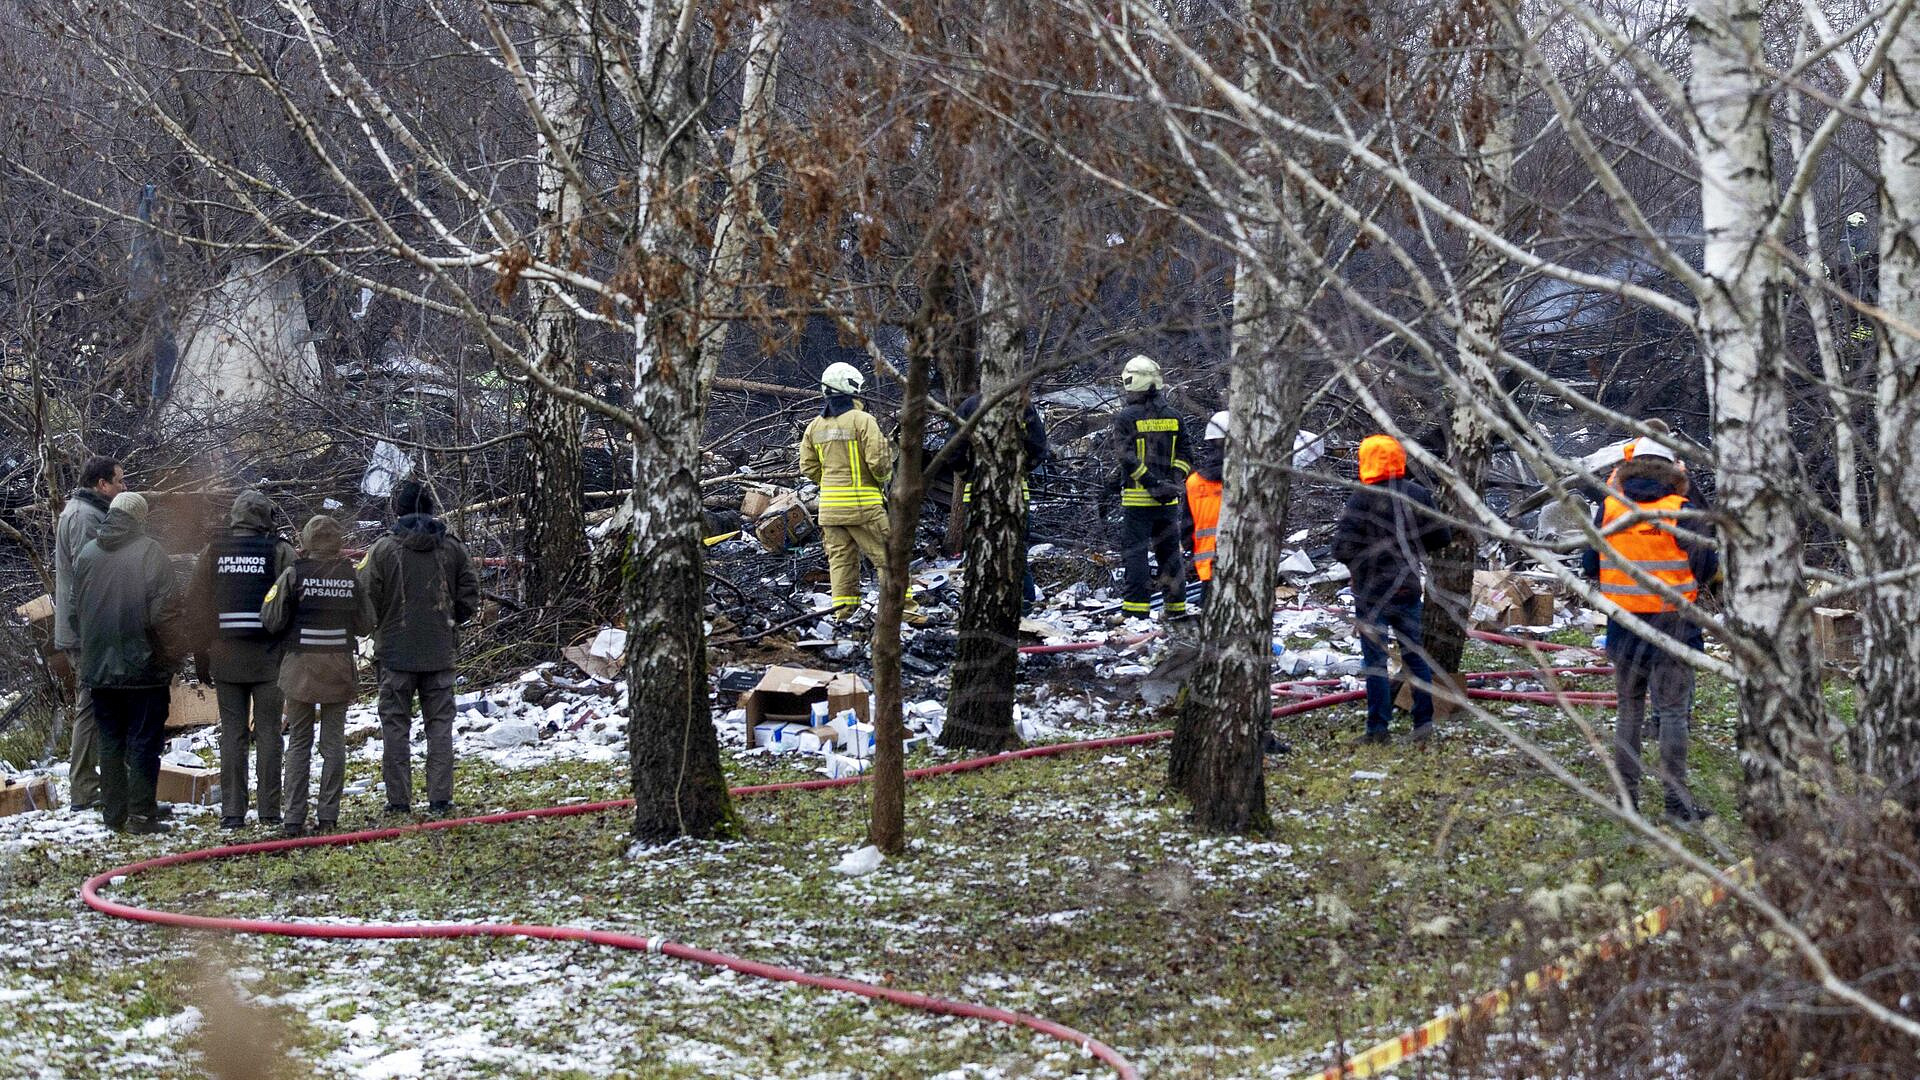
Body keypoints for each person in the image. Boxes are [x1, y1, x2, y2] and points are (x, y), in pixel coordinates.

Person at [1582, 437, 1718, 824]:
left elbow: (1590, 564)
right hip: (1674, 627)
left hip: (1624, 627)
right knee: (1672, 714)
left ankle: (1628, 803)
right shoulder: (1682, 511)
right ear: (1673, 468)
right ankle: (1676, 806)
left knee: (1629, 711)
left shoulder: (1610, 508)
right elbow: (1706, 569)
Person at [358, 480, 478, 815]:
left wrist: (381, 625)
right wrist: (449, 621)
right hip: (440, 653)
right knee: (439, 726)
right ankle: (440, 799)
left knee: (395, 727)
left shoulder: (382, 550)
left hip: (395, 654)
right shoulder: (452, 547)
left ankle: (399, 802)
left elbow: (367, 601)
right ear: (431, 509)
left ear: (398, 510)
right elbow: (469, 594)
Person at [63, 491, 178, 834]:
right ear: (140, 518)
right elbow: (165, 613)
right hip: (144, 667)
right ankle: (142, 815)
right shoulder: (151, 552)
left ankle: (114, 814)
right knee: (144, 740)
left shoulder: (86, 554)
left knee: (110, 740)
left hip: (98, 669)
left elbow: (71, 612)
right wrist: (170, 653)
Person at [1332, 434, 1452, 744]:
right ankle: (1423, 724)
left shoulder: (1361, 498)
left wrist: (1360, 563)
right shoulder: (1417, 495)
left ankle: (1378, 730)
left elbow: (1341, 548)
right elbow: (1442, 537)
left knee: (1375, 662)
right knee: (1415, 658)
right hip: (1407, 589)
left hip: (1371, 593)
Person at [187, 490, 295, 830]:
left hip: (225, 656)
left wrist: (200, 651)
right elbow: (294, 600)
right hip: (268, 659)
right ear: (265, 519)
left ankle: (232, 812)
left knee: (232, 734)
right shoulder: (279, 551)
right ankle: (269, 811)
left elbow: (197, 604)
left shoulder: (212, 552)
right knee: (268, 733)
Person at [263, 514, 372, 837]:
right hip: (338, 668)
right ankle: (329, 817)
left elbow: (270, 618)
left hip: (300, 669)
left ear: (306, 541)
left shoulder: (293, 574)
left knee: (299, 742)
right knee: (333, 743)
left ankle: (293, 819)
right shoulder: (350, 577)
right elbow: (367, 623)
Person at [799, 362, 916, 622]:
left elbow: (807, 467)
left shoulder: (814, 427)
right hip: (864, 507)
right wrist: (882, 480)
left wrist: (830, 484)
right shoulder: (863, 420)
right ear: (852, 388)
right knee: (889, 558)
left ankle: (843, 613)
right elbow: (879, 462)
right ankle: (906, 612)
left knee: (841, 563)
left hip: (829, 510)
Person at [53, 455, 126, 811]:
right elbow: (90, 577)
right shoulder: (85, 517)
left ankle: (92, 785)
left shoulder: (80, 511)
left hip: (85, 628)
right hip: (87, 631)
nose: (123, 488)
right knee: (90, 707)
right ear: (102, 485)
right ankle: (84, 789)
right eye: (119, 482)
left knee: (95, 705)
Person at [1104, 355, 1194, 621]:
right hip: (1167, 502)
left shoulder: (1126, 417)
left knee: (1136, 555)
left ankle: (1135, 611)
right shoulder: (1174, 416)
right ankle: (1176, 608)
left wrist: (1151, 483)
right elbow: (1186, 454)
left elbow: (1127, 458)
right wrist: (1173, 481)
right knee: (1169, 556)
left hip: (1137, 501)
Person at [948, 392, 1050, 611]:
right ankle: (1024, 605)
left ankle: (983, 606)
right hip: (1014, 495)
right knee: (1016, 552)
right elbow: (1039, 448)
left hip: (978, 495)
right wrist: (1020, 470)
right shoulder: (1023, 405)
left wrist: (970, 475)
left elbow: (953, 452)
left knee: (980, 554)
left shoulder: (969, 406)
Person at [1186, 411, 1228, 609]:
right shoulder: (1246, 480)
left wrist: (1188, 547)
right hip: (1241, 564)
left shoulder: (1193, 482)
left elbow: (1186, 525)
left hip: (1207, 565)